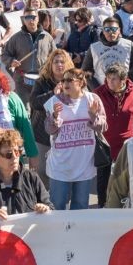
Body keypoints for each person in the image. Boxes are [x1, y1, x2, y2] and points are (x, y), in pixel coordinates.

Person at [43, 68, 107, 210]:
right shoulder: (54, 101)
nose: (65, 83)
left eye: (70, 80)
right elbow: (49, 130)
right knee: (57, 207)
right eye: (64, 80)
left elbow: (103, 127)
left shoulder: (93, 99)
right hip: (60, 166)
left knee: (81, 208)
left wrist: (92, 115)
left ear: (81, 82)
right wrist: (54, 117)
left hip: (84, 165)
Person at [93, 63, 133, 208]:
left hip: (127, 144)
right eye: (108, 78)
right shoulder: (98, 93)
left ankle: (124, 207)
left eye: (114, 79)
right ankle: (102, 207)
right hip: (105, 143)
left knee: (126, 178)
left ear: (123, 80)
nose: (110, 82)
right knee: (103, 179)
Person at [29, 49, 75, 186]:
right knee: (42, 171)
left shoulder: (74, 81)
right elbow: (34, 103)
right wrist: (52, 94)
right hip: (42, 135)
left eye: (62, 62)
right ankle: (43, 200)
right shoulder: (41, 82)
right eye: (56, 62)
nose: (59, 65)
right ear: (50, 64)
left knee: (64, 171)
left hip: (66, 134)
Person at [1, 8, 55, 106]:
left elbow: (55, 56)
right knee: (24, 109)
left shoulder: (47, 37)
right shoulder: (16, 38)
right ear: (23, 20)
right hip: (22, 80)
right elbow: (4, 55)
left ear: (38, 18)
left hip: (42, 80)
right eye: (27, 17)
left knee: (40, 109)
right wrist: (11, 61)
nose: (31, 20)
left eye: (33, 17)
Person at [81, 16, 133, 90]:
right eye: (107, 29)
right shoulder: (94, 47)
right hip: (101, 89)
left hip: (123, 89)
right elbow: (85, 70)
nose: (111, 32)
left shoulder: (129, 45)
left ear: (119, 30)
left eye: (114, 29)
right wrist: (97, 88)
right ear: (103, 31)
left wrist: (128, 85)